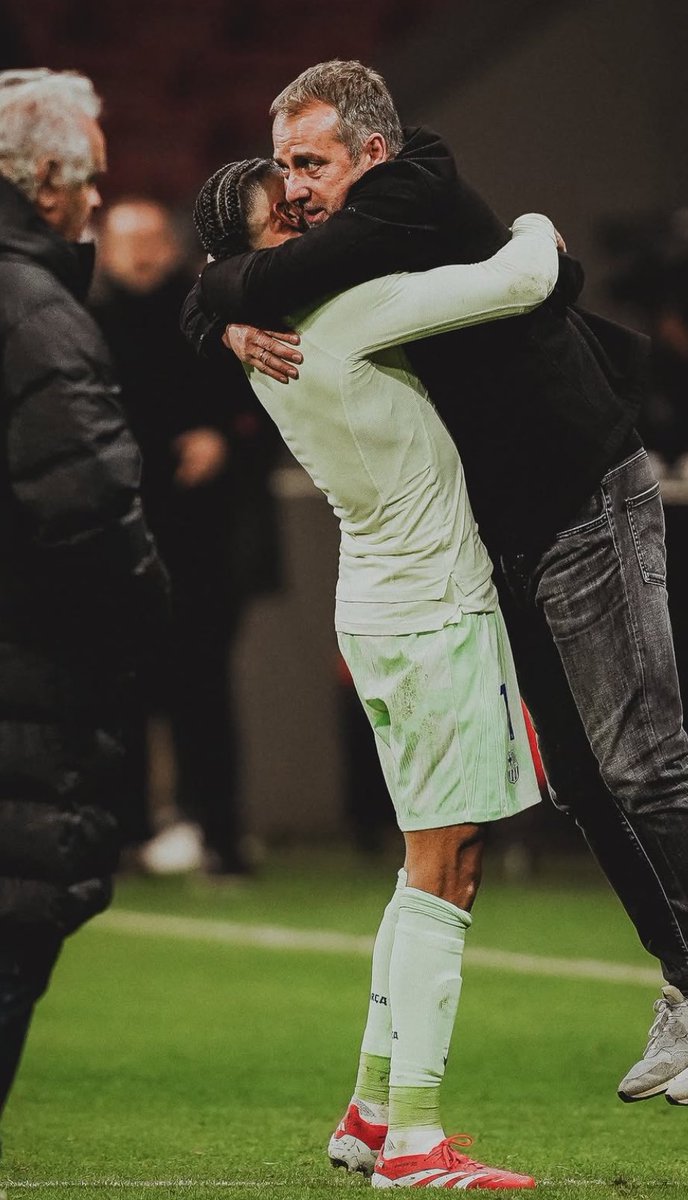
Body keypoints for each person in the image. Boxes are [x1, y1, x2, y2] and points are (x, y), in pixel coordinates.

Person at [182, 60, 688, 1116]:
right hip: (509, 530)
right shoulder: (330, 270)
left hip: (583, 495)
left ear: (371, 153)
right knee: (580, 778)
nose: (297, 189)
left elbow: (522, 277)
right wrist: (219, 305)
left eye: (309, 164)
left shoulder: (408, 193)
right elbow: (245, 275)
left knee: (645, 759)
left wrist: (225, 295)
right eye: (283, 174)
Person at [193, 156, 560, 1187]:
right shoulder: (343, 314)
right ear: (256, 255)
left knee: (420, 866)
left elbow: (208, 289)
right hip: (433, 613)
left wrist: (219, 314)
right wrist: (536, 218)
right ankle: (414, 1140)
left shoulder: (264, 337)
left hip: (381, 609)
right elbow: (521, 279)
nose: (306, 225)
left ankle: (368, 1112)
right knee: (449, 869)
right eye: (285, 219)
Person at [0, 70, 168, 1120]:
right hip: (26, 684)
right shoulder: (34, 312)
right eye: (93, 177)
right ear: (50, 179)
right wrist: (148, 623)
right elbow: (94, 511)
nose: (100, 199)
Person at [91, 198, 281, 876]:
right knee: (119, 690)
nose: (141, 252)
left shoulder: (214, 311)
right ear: (105, 249)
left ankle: (218, 831)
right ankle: (124, 834)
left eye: (151, 238)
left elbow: (269, 401)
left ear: (172, 246)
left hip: (204, 539)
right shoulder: (83, 321)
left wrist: (225, 439)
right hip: (116, 537)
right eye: (127, 239)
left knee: (203, 688)